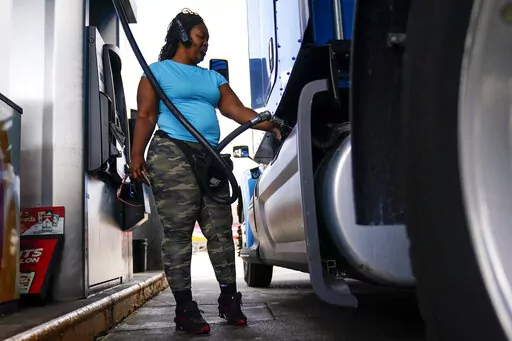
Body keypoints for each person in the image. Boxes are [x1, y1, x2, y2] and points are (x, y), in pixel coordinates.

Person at [129, 9, 281, 335]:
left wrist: (272, 124)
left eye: (207, 38)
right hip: (171, 152)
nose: (206, 43)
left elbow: (236, 110)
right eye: (201, 36)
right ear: (183, 36)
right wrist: (136, 155)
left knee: (221, 231)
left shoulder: (214, 77)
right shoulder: (156, 72)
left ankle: (229, 299)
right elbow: (145, 115)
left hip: (210, 158)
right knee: (179, 233)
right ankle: (185, 309)